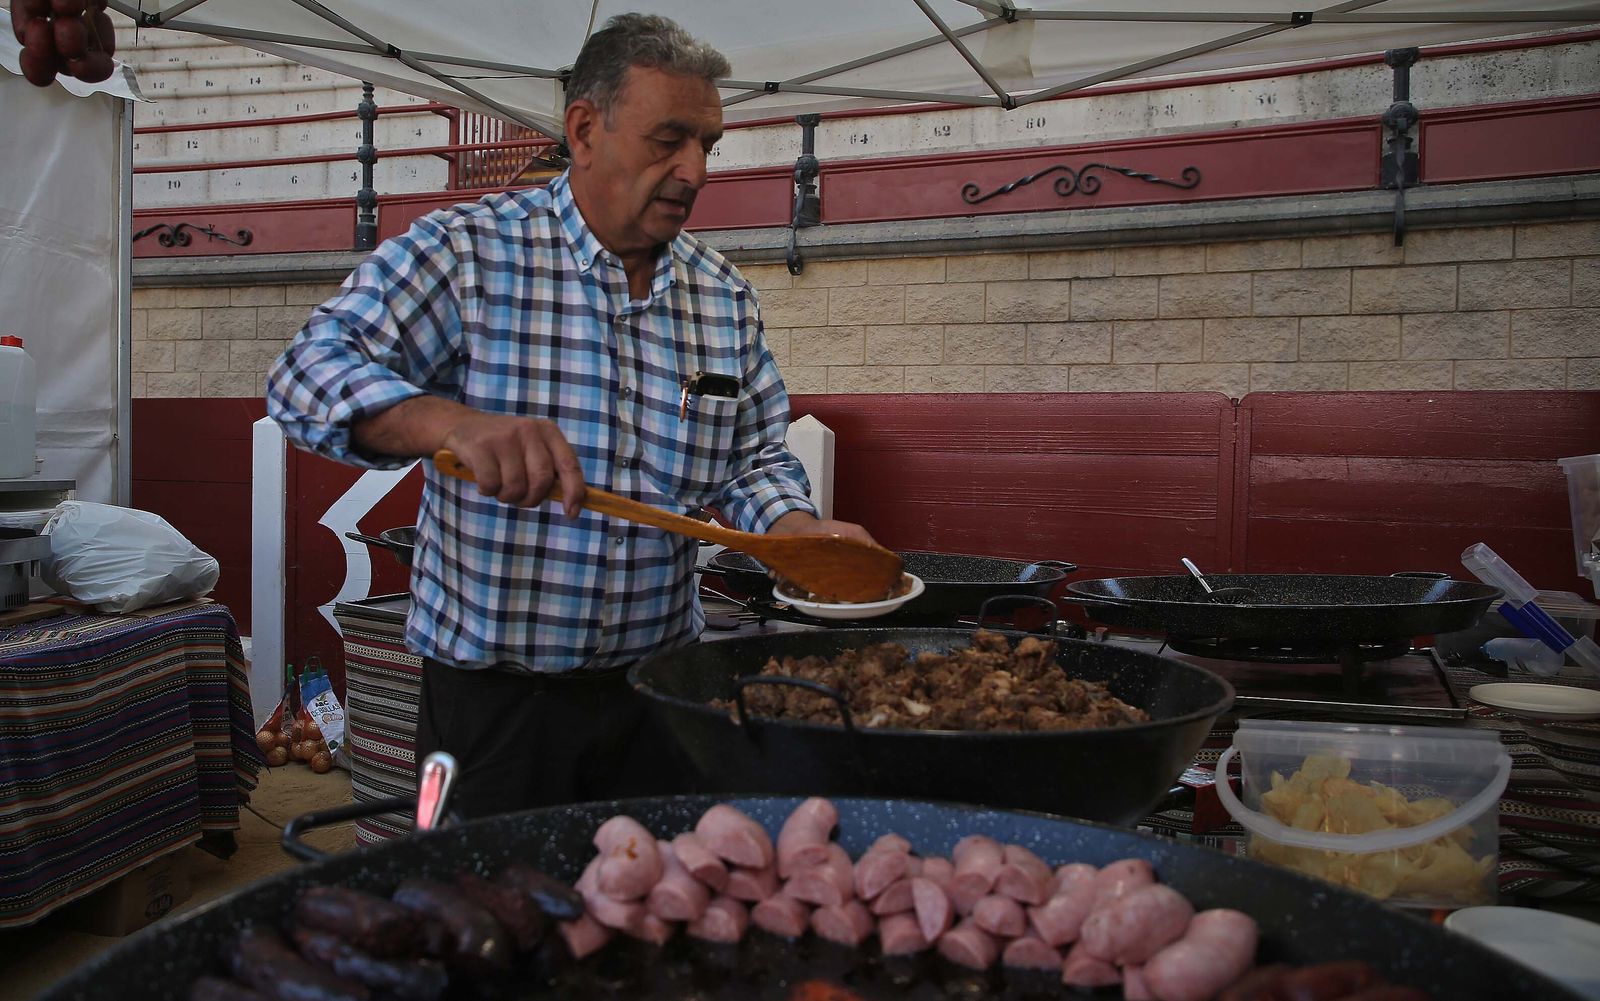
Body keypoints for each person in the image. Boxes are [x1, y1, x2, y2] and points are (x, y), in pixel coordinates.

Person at [266, 13, 877, 818]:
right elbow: (305, 375)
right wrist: (447, 423)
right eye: (668, 139)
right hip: (488, 710)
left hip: (660, 701)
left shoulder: (722, 295)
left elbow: (753, 456)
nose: (694, 170)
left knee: (654, 894)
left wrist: (794, 531)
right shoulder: (468, 251)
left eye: (707, 144)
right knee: (472, 894)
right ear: (584, 129)